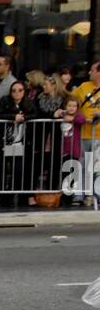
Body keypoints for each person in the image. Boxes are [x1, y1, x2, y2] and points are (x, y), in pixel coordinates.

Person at [72, 61, 100, 206]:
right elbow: (71, 101)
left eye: (92, 70)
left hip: (99, 135)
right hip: (84, 133)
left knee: (97, 167)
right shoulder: (84, 87)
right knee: (82, 165)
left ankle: (96, 195)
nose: (89, 72)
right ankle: (80, 194)